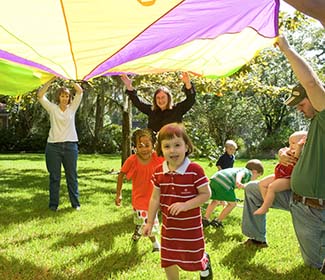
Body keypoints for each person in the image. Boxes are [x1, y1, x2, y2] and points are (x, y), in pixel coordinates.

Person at [241, 35, 325, 273]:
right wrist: (283, 152)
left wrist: (286, 49)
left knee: (314, 266)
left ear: (316, 99)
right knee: (252, 190)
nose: (299, 109)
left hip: (314, 208)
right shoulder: (317, 123)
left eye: (302, 104)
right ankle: (256, 237)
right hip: (295, 197)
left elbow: (310, 83)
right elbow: (299, 140)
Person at [143, 123, 213, 280]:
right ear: (160, 149)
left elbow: (206, 194)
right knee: (168, 260)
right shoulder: (159, 172)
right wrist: (149, 222)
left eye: (177, 145)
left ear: (186, 146)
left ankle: (204, 261)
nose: (172, 150)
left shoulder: (195, 170)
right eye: (167, 146)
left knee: (195, 258)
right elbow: (155, 198)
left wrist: (185, 205)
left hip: (191, 229)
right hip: (169, 228)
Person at [37, 77, 83, 211]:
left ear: (69, 98)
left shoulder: (72, 108)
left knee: (72, 177)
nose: (65, 98)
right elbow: (40, 95)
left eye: (67, 96)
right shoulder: (52, 108)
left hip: (70, 147)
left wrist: (69, 79)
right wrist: (50, 81)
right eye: (62, 96)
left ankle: (75, 204)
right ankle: (53, 205)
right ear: (58, 97)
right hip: (53, 147)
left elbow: (79, 92)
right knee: (54, 177)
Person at [115, 128, 163, 252]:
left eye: (147, 145)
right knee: (149, 220)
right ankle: (155, 244)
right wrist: (118, 194)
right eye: (140, 146)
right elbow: (121, 174)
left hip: (155, 198)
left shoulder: (157, 157)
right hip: (140, 198)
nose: (144, 149)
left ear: (153, 145)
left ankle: (138, 231)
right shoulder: (132, 160)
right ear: (135, 147)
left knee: (144, 220)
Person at [120, 72, 195, 134]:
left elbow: (190, 99)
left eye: (163, 97)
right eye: (158, 98)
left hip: (173, 147)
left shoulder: (178, 109)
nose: (160, 100)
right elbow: (138, 103)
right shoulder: (151, 110)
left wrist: (188, 83)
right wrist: (129, 86)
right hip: (156, 148)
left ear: (168, 98)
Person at [254, 130, 307, 215]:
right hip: (280, 175)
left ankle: (265, 207)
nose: (290, 146)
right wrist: (282, 152)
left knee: (272, 187)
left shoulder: (300, 153)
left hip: (288, 178)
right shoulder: (289, 150)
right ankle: (267, 202)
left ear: (303, 144)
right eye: (289, 143)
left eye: (293, 143)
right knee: (262, 183)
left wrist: (300, 147)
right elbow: (282, 150)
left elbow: (296, 156)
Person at [203, 159, 264, 228]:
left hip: (215, 178)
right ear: (254, 172)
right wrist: (238, 181)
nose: (256, 178)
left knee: (215, 200)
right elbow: (240, 174)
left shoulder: (239, 169)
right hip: (225, 182)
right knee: (232, 204)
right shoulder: (248, 173)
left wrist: (222, 199)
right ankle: (217, 221)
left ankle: (205, 218)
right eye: (258, 176)